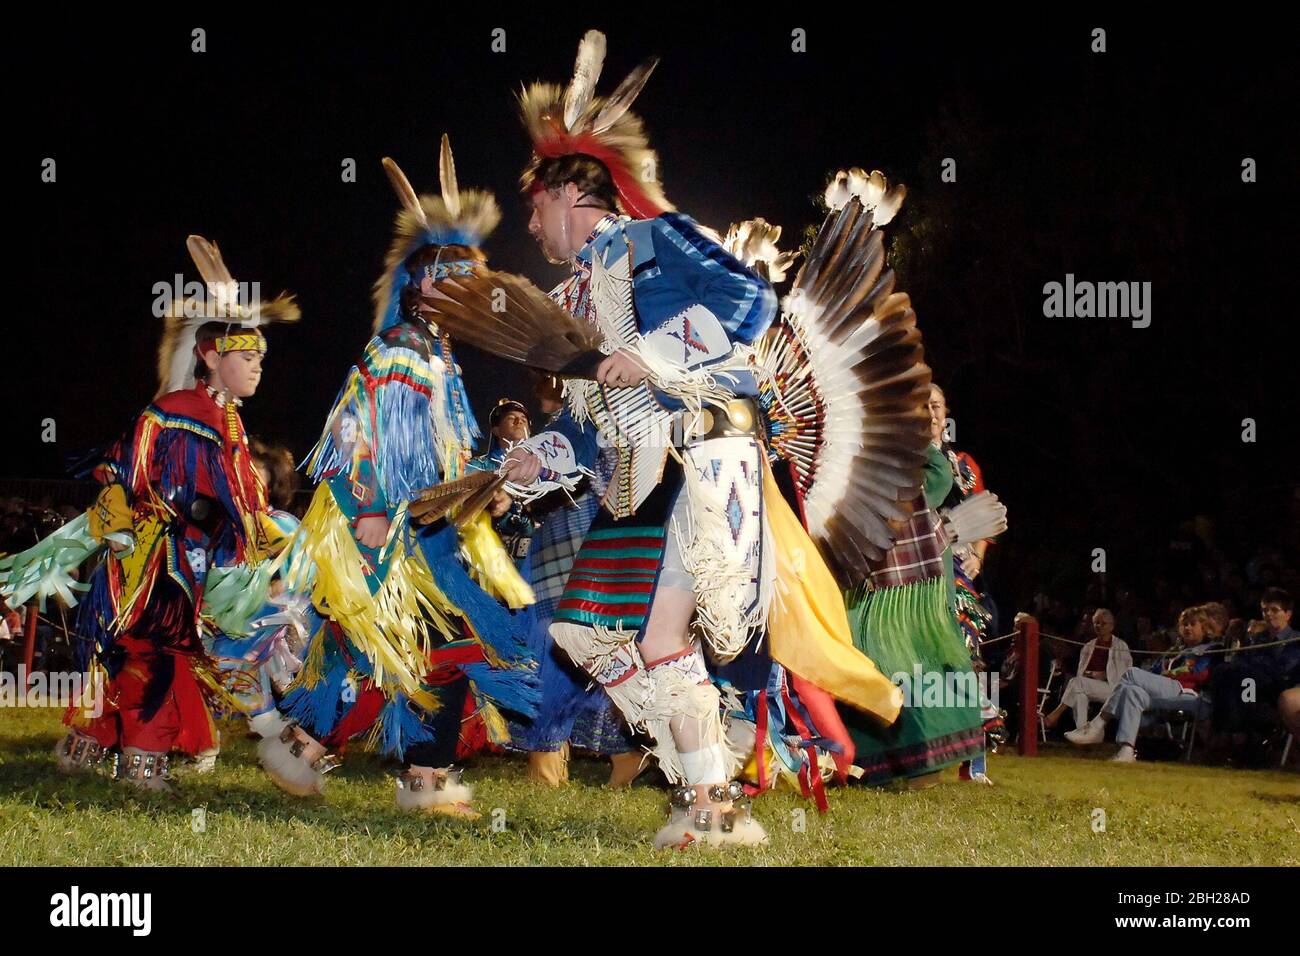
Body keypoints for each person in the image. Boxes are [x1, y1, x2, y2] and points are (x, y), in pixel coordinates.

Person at [429, 33, 919, 845]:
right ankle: (706, 782)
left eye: (532, 206)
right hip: (635, 479)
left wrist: (650, 354)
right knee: (583, 632)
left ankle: (710, 802)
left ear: (564, 194)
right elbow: (585, 428)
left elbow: (749, 303)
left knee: (654, 633)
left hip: (702, 463)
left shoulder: (658, 238)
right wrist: (530, 461)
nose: (530, 223)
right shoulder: (578, 292)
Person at [255, 140, 538, 818]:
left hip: (433, 533)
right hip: (385, 531)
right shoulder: (397, 351)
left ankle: (418, 777)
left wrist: (482, 482)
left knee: (448, 647)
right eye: (461, 285)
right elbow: (353, 435)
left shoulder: (441, 360)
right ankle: (310, 748)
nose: (474, 299)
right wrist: (367, 509)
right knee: (383, 651)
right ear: (428, 284)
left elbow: (447, 453)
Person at [0, 236, 298, 789]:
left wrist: (260, 537)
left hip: (189, 561)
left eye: (261, 358)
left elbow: (240, 499)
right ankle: (142, 762)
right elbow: (119, 471)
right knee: (152, 653)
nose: (258, 368)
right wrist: (128, 529)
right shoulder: (177, 411)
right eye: (247, 357)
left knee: (149, 653)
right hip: (152, 559)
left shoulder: (227, 420)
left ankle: (88, 745)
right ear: (212, 355)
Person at [1066, 604, 1220, 761]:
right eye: (1185, 624)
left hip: (1189, 694)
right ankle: (1126, 750)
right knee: (1131, 691)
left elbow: (1201, 674)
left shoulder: (1211, 649)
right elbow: (1155, 670)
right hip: (1166, 690)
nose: (1187, 628)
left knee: (1131, 673)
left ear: (1205, 627)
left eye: (1192, 624)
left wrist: (1167, 675)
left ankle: (1098, 724)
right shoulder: (1176, 650)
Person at [1043, 608, 1133, 730]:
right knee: (1080, 694)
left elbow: (1125, 674)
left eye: (1103, 623)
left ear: (1111, 626)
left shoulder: (1120, 646)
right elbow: (1081, 672)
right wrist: (1090, 675)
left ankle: (1055, 715)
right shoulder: (1088, 646)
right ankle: (1083, 733)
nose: (1099, 626)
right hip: (1089, 685)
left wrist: (1103, 675)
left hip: (1113, 688)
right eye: (1096, 623)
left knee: (1076, 683)